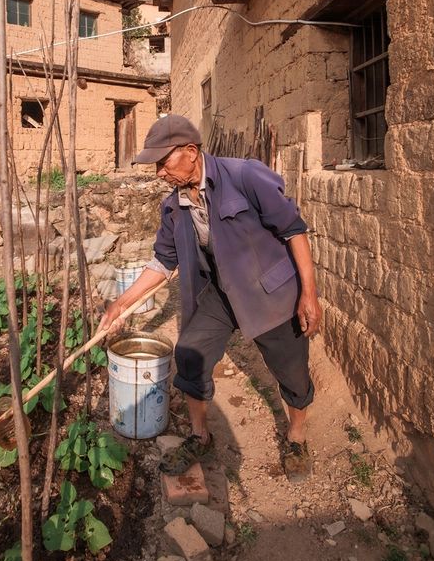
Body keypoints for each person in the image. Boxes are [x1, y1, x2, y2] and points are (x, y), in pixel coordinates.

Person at [99, 114, 322, 482]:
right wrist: (122, 303)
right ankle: (201, 436)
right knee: (190, 353)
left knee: (292, 370)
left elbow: (294, 230)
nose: (159, 173)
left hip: (268, 291)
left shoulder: (245, 175)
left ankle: (296, 437)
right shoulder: (173, 207)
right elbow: (162, 261)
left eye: (163, 162)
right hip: (220, 291)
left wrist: (308, 296)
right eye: (155, 165)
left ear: (190, 151)